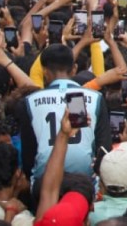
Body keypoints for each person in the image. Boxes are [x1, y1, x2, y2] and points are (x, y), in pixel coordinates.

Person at [17, 43, 110, 180]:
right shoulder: (94, 97)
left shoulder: (30, 101)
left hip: (44, 181)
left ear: (44, 71)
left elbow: (28, 156)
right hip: (84, 182)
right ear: (74, 69)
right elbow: (104, 148)